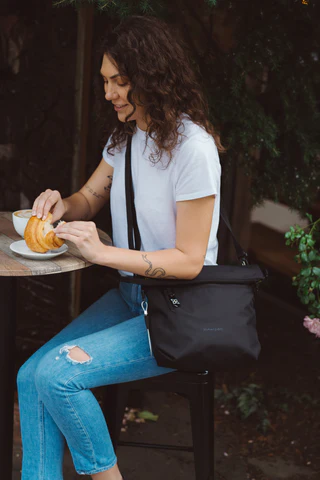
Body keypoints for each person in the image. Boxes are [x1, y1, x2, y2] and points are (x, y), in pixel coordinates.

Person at [17, 15, 224, 480]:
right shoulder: (125, 137)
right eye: (106, 81)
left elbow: (190, 261)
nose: (109, 93)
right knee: (30, 377)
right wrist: (59, 206)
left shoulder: (193, 149)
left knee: (56, 376)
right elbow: (89, 198)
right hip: (133, 298)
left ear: (151, 78)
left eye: (120, 81)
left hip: (180, 311)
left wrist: (102, 254)